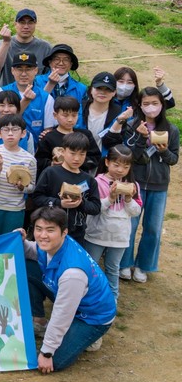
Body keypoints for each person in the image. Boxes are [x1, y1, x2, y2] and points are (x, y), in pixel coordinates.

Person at [21, 206, 116, 373]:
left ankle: (91, 336)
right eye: (38, 229)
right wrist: (19, 241)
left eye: (50, 230)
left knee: (53, 362)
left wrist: (47, 351)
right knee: (27, 265)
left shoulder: (73, 273)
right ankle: (40, 322)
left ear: (64, 232)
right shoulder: (52, 245)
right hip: (72, 297)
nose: (43, 235)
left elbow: (62, 313)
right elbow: (31, 250)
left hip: (91, 317)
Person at [105, 87, 179, 283]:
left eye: (155, 103)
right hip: (135, 182)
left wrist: (163, 151)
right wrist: (140, 138)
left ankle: (144, 266)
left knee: (153, 228)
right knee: (130, 224)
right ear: (139, 105)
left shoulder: (171, 130)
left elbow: (173, 159)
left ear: (162, 105)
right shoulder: (131, 126)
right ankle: (125, 263)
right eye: (146, 104)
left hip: (159, 184)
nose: (150, 107)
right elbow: (130, 157)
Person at [83, 145, 141, 301]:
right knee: (92, 266)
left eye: (126, 166)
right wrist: (110, 198)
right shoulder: (97, 182)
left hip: (119, 236)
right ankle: (89, 297)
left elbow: (135, 212)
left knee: (113, 268)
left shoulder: (133, 185)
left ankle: (112, 299)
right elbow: (94, 208)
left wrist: (128, 199)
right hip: (97, 233)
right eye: (116, 165)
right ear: (107, 162)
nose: (120, 170)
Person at [31, 132, 101, 245]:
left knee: (71, 262)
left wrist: (81, 203)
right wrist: (59, 203)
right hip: (49, 231)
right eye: (72, 153)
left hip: (76, 234)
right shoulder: (50, 172)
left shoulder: (89, 180)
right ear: (63, 151)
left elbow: (96, 208)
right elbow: (37, 198)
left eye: (82, 154)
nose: (77, 158)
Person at [0, 114, 37, 236]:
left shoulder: (29, 159)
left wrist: (22, 187)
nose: (10, 133)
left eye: (15, 129)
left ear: (23, 133)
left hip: (14, 209)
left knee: (8, 246)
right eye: (6, 130)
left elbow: (32, 187)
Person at [0, 51, 56, 146]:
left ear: (36, 70)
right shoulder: (1, 92)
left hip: (34, 152)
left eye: (28, 69)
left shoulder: (46, 98)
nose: (23, 74)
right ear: (12, 71)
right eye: (19, 69)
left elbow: (48, 130)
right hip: (4, 150)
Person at [35, 96, 101, 176]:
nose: (70, 119)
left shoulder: (86, 135)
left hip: (80, 176)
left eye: (74, 115)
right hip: (57, 177)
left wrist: (78, 161)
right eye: (65, 115)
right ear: (55, 115)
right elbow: (39, 160)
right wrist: (52, 163)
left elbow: (95, 157)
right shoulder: (48, 137)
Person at [0, 9, 52, 87]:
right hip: (7, 96)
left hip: (35, 95)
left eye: (30, 22)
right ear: (15, 24)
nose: (26, 26)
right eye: (22, 22)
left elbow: (49, 76)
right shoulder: (0, 44)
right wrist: (6, 43)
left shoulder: (45, 48)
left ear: (35, 24)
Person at [78, 72, 123, 155]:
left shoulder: (119, 115)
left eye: (108, 89)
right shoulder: (78, 110)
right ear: (91, 89)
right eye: (99, 88)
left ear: (114, 92)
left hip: (105, 163)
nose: (102, 92)